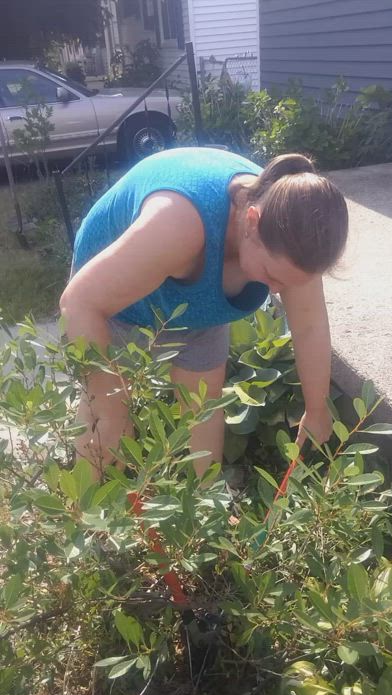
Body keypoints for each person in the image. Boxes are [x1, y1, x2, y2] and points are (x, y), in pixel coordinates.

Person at [60, 147, 348, 478]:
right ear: (250, 221)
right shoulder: (177, 224)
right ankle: (87, 516)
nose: (277, 292)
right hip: (112, 299)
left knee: (203, 406)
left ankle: (201, 513)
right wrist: (110, 410)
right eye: (273, 277)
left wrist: (316, 407)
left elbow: (309, 325)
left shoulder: (295, 239)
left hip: (199, 296)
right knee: (106, 421)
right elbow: (79, 303)